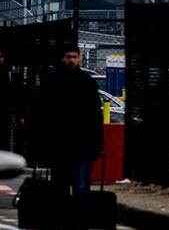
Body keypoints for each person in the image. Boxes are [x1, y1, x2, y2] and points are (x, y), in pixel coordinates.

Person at [34, 46, 104, 230]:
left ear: (80, 59)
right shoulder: (54, 82)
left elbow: (95, 116)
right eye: (68, 57)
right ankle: (69, 220)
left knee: (78, 183)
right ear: (62, 59)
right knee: (64, 184)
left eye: (74, 57)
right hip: (62, 143)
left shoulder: (86, 82)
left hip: (80, 143)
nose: (71, 60)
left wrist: (97, 143)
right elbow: (42, 114)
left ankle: (77, 221)